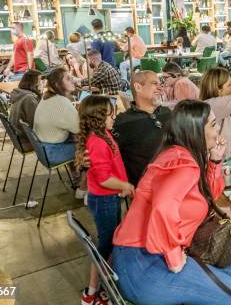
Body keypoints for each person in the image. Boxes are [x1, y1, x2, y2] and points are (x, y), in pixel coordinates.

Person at [112, 100, 231, 305]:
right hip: (144, 265)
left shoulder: (176, 153)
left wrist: (214, 161)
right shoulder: (184, 165)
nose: (218, 128)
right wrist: (174, 256)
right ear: (195, 130)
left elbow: (206, 196)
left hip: (132, 258)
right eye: (212, 124)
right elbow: (162, 206)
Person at [76, 95, 134, 305]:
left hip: (108, 198)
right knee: (106, 245)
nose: (114, 117)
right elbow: (104, 178)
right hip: (105, 201)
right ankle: (92, 292)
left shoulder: (104, 135)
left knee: (109, 242)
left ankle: (100, 288)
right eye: (111, 114)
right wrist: (125, 186)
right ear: (99, 118)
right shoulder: (98, 142)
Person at [112, 70, 171, 186]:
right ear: (138, 87)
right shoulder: (123, 122)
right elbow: (108, 153)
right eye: (154, 83)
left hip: (173, 181)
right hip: (143, 188)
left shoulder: (168, 113)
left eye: (160, 84)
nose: (160, 88)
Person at [34, 67, 79, 166]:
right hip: (54, 152)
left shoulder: (46, 97)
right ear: (58, 84)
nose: (72, 81)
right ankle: (85, 179)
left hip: (43, 149)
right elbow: (79, 129)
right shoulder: (61, 102)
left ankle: (76, 174)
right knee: (93, 147)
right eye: (68, 79)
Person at [8, 70, 42, 150]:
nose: (42, 84)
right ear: (34, 83)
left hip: (19, 137)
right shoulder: (29, 98)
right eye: (40, 81)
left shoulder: (20, 93)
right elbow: (36, 124)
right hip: (28, 141)